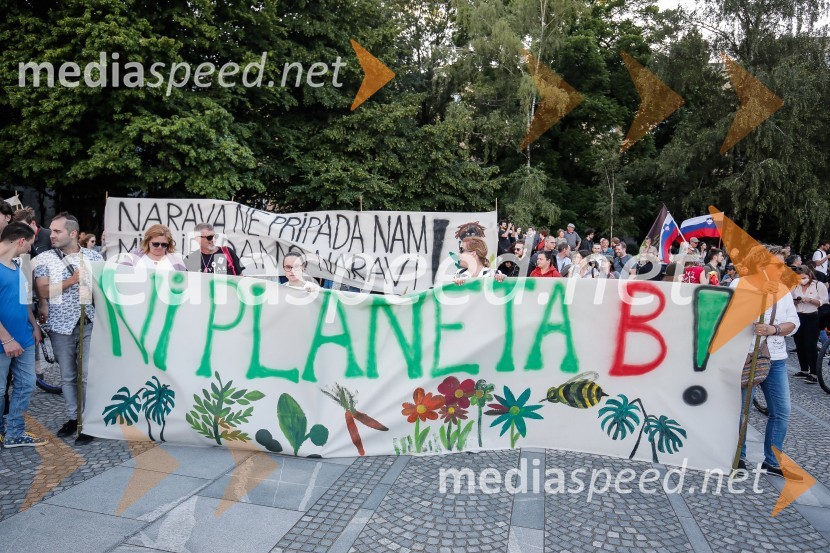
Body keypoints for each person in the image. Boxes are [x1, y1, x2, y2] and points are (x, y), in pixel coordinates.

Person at [33, 212, 103, 443]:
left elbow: (103, 292)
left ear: (72, 233)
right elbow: (43, 290)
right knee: (68, 376)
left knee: (87, 375)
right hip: (60, 325)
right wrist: (72, 281)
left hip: (88, 322)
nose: (51, 235)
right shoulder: (44, 258)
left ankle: (89, 421)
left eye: (57, 231)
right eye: (51, 231)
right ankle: (74, 418)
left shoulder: (94, 257)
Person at [735, 244, 800, 478]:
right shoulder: (740, 284)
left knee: (782, 411)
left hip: (777, 358)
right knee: (741, 411)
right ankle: (737, 456)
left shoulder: (783, 290)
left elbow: (794, 322)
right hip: (746, 357)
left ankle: (772, 461)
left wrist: (774, 328)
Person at [0, 223, 45, 447]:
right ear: (20, 241)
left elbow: (23, 300)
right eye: (29, 244)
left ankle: (14, 433)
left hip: (25, 338)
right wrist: (6, 339)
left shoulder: (18, 265)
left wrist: (34, 324)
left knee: (26, 384)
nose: (30, 249)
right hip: (3, 343)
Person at [790, 266, 827, 383]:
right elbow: (789, 300)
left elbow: (823, 302)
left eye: (804, 278)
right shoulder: (794, 285)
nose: (802, 280)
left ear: (810, 275)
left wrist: (809, 300)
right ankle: (804, 370)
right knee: (799, 344)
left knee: (810, 345)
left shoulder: (818, 285)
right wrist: (795, 301)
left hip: (813, 317)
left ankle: (815, 374)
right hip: (798, 316)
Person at [121, 224, 186, 271]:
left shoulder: (177, 259)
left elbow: (185, 282)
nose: (160, 247)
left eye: (164, 244)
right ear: (148, 242)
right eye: (156, 244)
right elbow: (122, 276)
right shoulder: (133, 257)